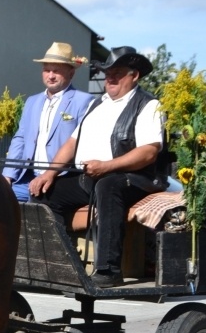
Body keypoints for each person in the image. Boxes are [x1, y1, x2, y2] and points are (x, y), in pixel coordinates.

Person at [28, 46, 167, 288]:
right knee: (45, 193)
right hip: (91, 174)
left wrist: (107, 166)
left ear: (133, 76)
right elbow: (72, 143)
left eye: (117, 73)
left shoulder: (148, 105)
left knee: (108, 185)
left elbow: (149, 152)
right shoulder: (96, 105)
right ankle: (60, 264)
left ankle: (108, 270)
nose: (110, 78)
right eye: (107, 73)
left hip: (135, 178)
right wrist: (49, 173)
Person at [2, 42, 95, 201]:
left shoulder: (84, 101)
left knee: (37, 207)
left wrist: (50, 174)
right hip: (27, 176)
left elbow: (81, 143)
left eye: (56, 71)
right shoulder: (32, 102)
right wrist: (8, 176)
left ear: (71, 73)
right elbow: (20, 139)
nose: (50, 76)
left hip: (61, 179)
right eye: (46, 70)